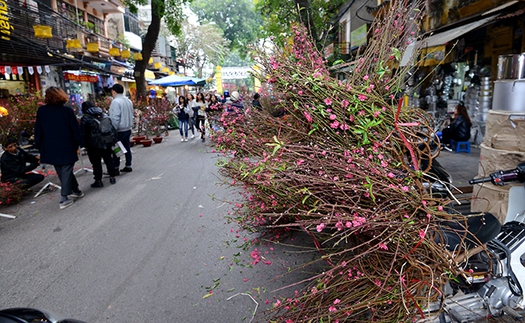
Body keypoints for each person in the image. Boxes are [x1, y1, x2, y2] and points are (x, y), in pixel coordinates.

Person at [34, 87, 84, 209]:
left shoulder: (42, 111)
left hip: (50, 146)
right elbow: (75, 129)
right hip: (67, 144)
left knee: (63, 170)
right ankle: (64, 198)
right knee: (66, 169)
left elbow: (38, 130)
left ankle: (76, 190)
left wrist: (39, 145)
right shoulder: (67, 111)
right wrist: (80, 142)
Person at [80, 101, 117, 188]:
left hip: (93, 144)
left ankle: (98, 180)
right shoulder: (103, 114)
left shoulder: (85, 118)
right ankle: (112, 177)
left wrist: (84, 144)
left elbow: (83, 133)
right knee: (109, 160)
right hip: (106, 141)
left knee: (96, 163)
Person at [109, 84, 134, 173]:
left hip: (119, 129)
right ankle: (128, 165)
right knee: (126, 146)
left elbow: (115, 117)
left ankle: (116, 167)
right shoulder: (128, 101)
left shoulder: (115, 102)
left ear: (114, 91)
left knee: (116, 148)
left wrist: (113, 129)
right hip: (128, 127)